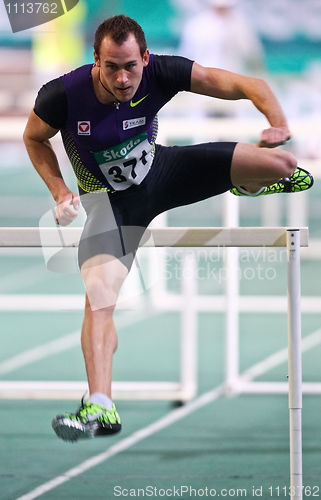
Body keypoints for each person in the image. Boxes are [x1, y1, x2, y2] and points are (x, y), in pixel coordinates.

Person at [23, 14, 313, 442]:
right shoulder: (62, 95)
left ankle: (248, 184)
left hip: (163, 171)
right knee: (100, 298)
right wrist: (59, 191)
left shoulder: (165, 70)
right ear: (95, 60)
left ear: (145, 57)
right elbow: (33, 138)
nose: (123, 78)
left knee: (283, 165)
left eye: (131, 66)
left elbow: (249, 85)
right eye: (111, 67)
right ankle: (100, 404)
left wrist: (276, 123)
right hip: (111, 205)